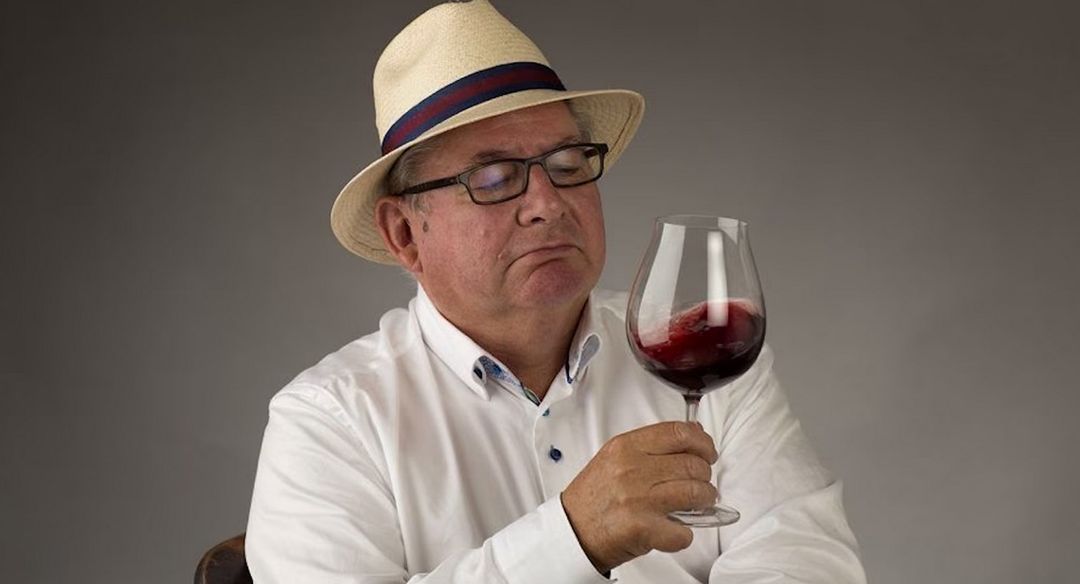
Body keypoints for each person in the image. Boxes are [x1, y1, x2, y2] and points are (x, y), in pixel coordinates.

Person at [246, 1, 867, 583]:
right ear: (405, 232)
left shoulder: (702, 360)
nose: (547, 204)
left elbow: (808, 562)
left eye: (569, 165)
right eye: (492, 178)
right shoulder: (329, 423)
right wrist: (574, 537)